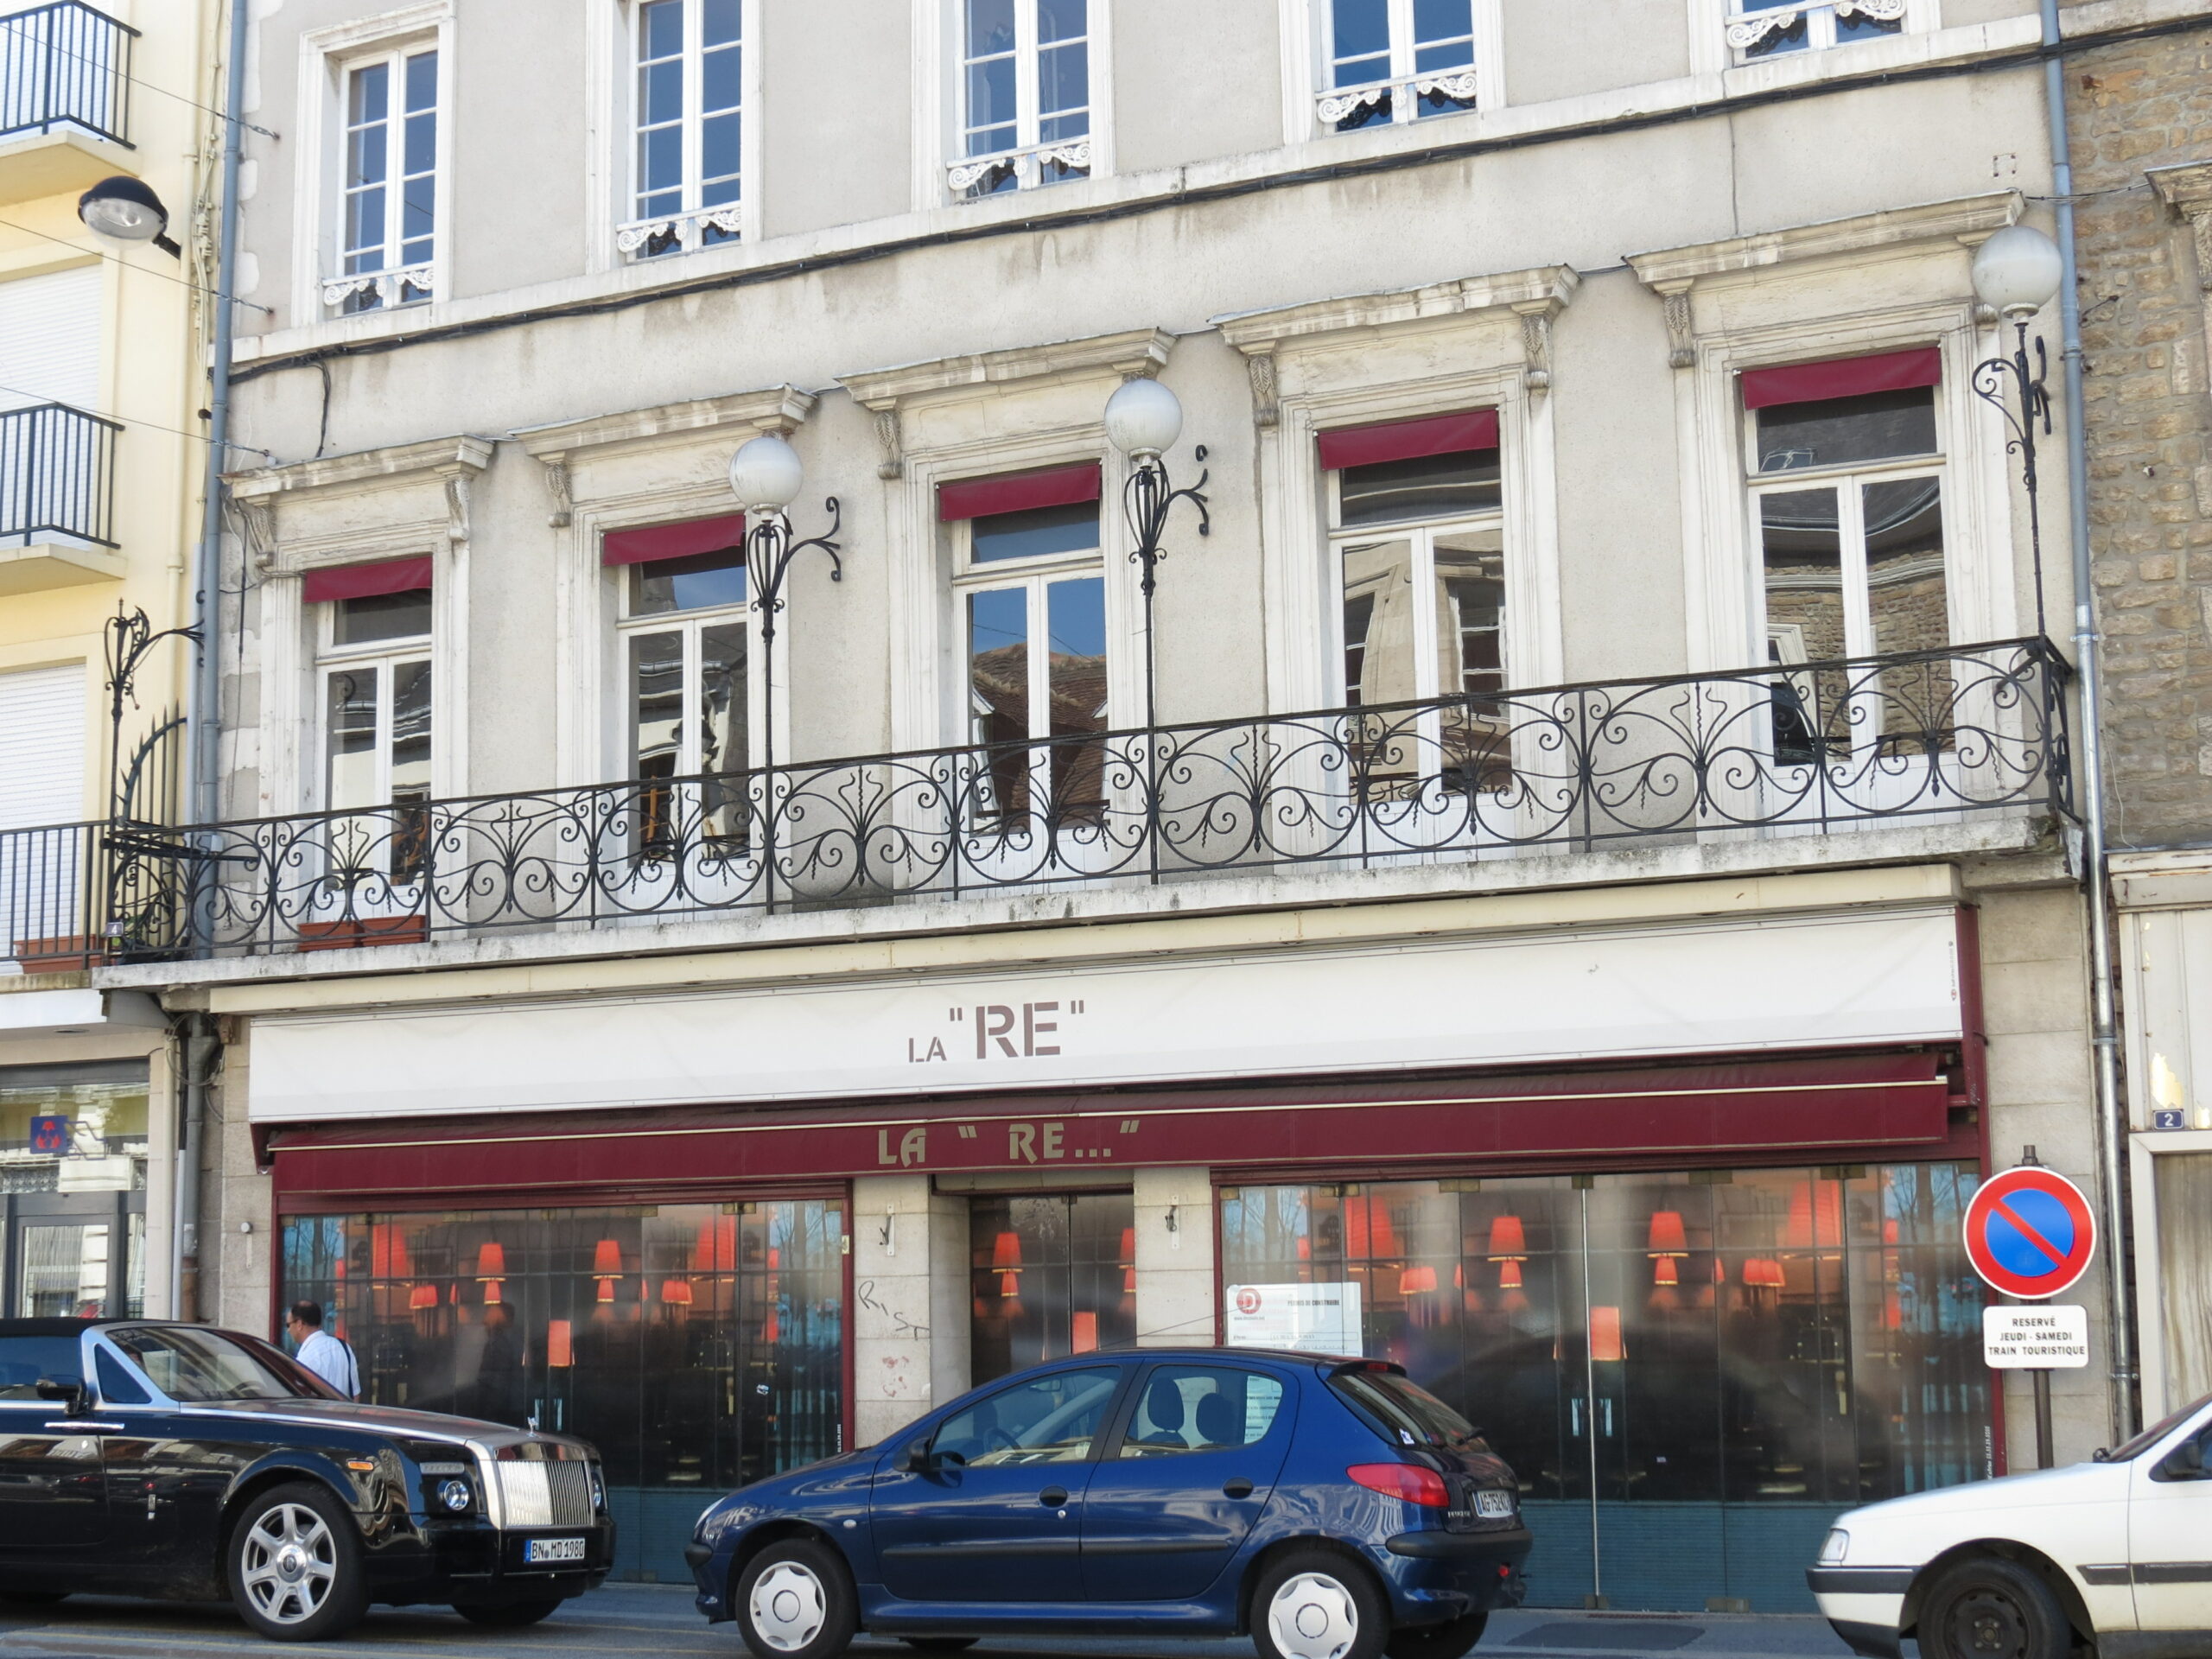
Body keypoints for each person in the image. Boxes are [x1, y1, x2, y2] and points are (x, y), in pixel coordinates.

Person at [285, 1301, 359, 1399]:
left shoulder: (304, 1360)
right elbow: (355, 1395)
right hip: (345, 1408)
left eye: (288, 1325)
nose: (288, 1330)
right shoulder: (343, 1347)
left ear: (299, 1324)